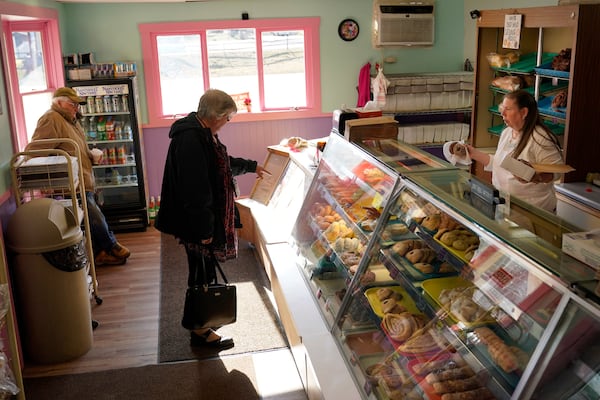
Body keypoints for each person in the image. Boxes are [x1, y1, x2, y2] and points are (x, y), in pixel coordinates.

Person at [155, 89, 269, 349]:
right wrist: (205, 229)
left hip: (196, 219)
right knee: (200, 273)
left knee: (202, 270)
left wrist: (251, 166)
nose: (227, 123)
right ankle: (200, 330)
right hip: (194, 221)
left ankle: (203, 320)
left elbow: (220, 165)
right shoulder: (192, 139)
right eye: (227, 118)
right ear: (216, 116)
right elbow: (196, 190)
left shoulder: (199, 132)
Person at [27, 87, 131, 266]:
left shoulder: (71, 120)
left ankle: (101, 254)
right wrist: (58, 164)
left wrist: (90, 154)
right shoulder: (51, 119)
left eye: (77, 104)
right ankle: (112, 245)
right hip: (70, 183)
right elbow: (35, 151)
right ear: (58, 102)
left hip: (83, 178)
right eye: (72, 104)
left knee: (92, 218)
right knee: (95, 217)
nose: (76, 107)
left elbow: (74, 147)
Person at [453, 89, 564, 212]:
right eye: (502, 109)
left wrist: (535, 177)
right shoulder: (507, 133)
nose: (502, 113)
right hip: (505, 206)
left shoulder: (541, 137)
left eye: (508, 109)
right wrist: (472, 153)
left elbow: (557, 171)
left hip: (534, 210)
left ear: (524, 112)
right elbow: (499, 163)